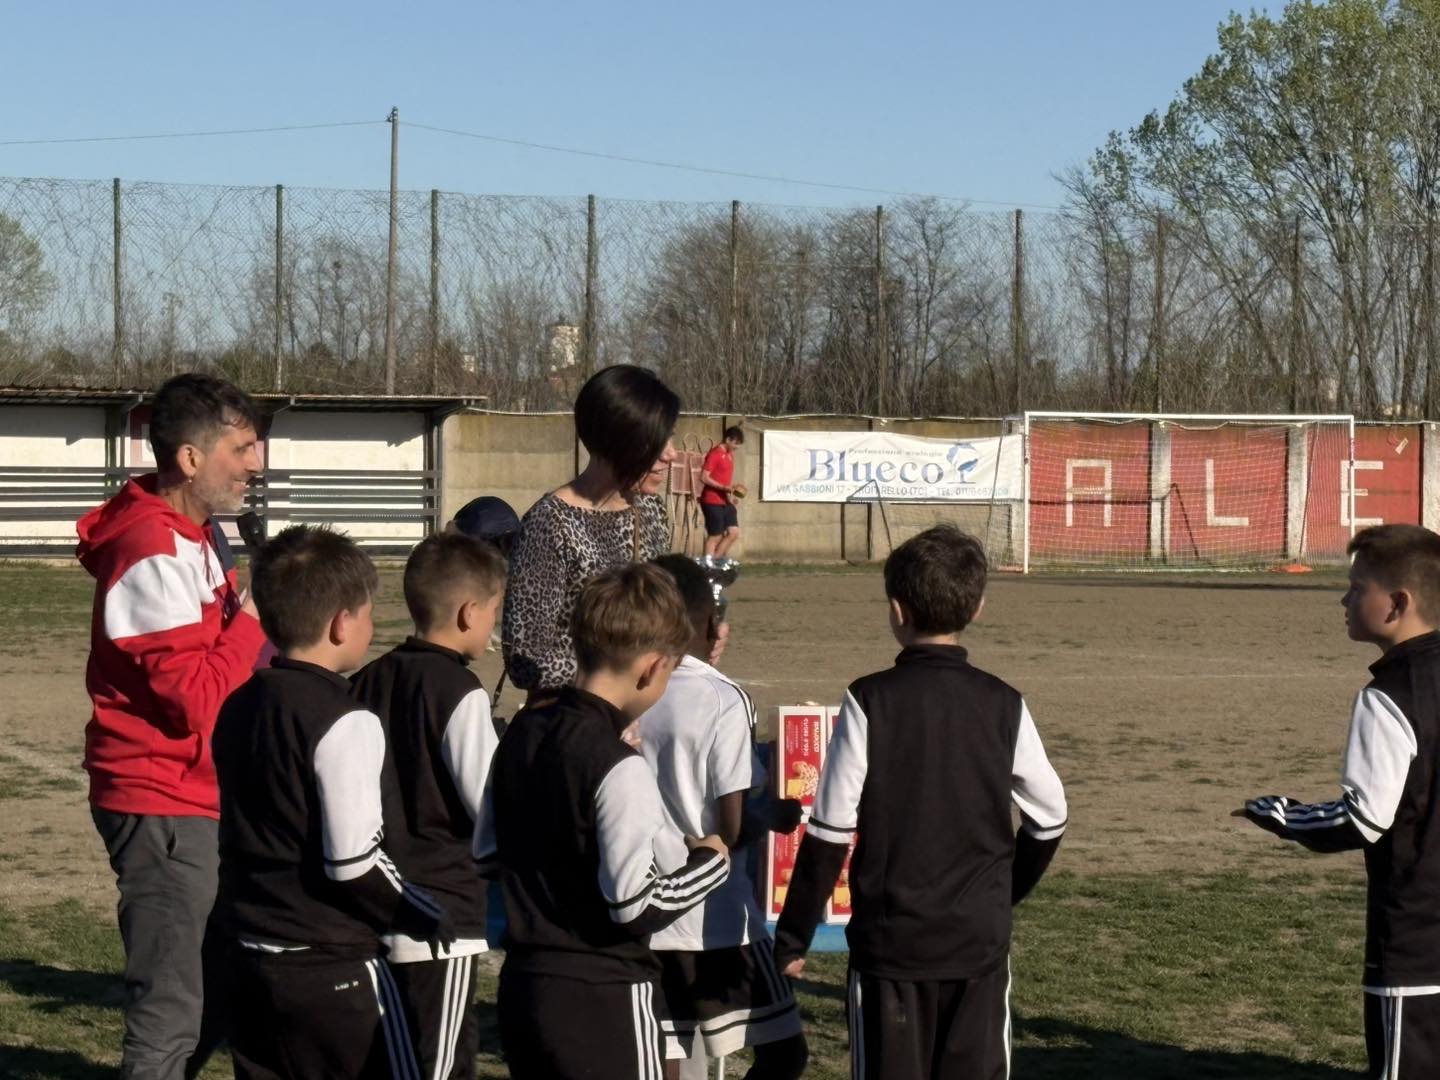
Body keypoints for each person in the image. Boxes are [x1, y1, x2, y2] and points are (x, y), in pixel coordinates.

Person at [772, 525, 1068, 1080]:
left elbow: (831, 831)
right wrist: (1000, 893)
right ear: (978, 607)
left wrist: (792, 938)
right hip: (975, 945)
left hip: (892, 948)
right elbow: (1050, 817)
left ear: (895, 609)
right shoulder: (1005, 703)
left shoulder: (869, 701)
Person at [76, 372, 267, 1079]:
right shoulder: (151, 550)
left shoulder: (198, 534)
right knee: (170, 1004)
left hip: (197, 794)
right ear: (190, 459)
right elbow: (198, 701)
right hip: (161, 798)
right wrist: (250, 622)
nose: (257, 464)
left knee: (213, 985)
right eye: (242, 448)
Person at [213, 525, 453, 1080]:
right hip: (330, 963)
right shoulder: (345, 719)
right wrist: (426, 912)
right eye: (369, 613)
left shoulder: (239, 703)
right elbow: (353, 863)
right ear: (342, 622)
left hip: (249, 953)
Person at [475, 562, 732, 1079]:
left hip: (526, 988)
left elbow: (485, 852)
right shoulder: (616, 763)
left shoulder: (522, 734)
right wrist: (710, 861)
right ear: (652, 668)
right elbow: (632, 904)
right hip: (604, 996)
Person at [1243, 524, 1440, 1078]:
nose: (1345, 599)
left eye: (1357, 587)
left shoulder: (1388, 697)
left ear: (1397, 603)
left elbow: (1361, 820)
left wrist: (1279, 813)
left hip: (1416, 941)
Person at [641, 554, 807, 1079]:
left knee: (666, 1060)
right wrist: (771, 816)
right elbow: (730, 828)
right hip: (716, 918)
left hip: (646, 910)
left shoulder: (627, 688)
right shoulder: (722, 697)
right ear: (709, 623)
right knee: (785, 1051)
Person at [351, 532, 507, 1080]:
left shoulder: (365, 679)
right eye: (495, 611)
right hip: (442, 919)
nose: (495, 625)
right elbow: (491, 805)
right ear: (469, 613)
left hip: (372, 904)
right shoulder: (459, 691)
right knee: (442, 1067)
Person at [502, 364, 679, 694]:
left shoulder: (651, 509)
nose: (672, 453)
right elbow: (526, 661)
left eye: (670, 437)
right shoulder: (550, 523)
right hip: (575, 723)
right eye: (657, 441)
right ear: (618, 442)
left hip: (644, 719)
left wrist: (694, 635)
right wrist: (617, 673)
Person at [700, 426, 745, 561]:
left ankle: (714, 563)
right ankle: (707, 569)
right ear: (727, 439)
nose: (737, 447)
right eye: (735, 443)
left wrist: (731, 495)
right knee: (715, 536)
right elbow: (704, 477)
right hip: (711, 501)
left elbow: (724, 479)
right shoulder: (715, 454)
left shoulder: (730, 455)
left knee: (734, 532)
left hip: (725, 501)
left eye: (739, 444)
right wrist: (724, 487)